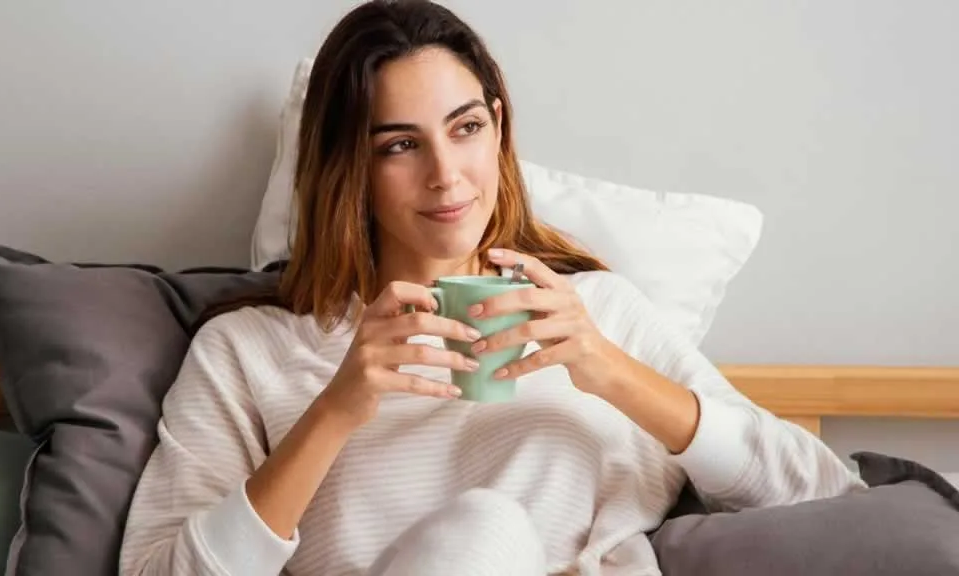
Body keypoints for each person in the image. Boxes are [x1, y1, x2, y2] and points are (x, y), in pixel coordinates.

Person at [119, 1, 866, 574]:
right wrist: (337, 409)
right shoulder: (249, 350)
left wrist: (609, 371)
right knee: (482, 530)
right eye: (401, 145)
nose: (446, 175)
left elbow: (827, 496)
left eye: (465, 128)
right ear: (347, 165)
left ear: (499, 128)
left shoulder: (596, 314)